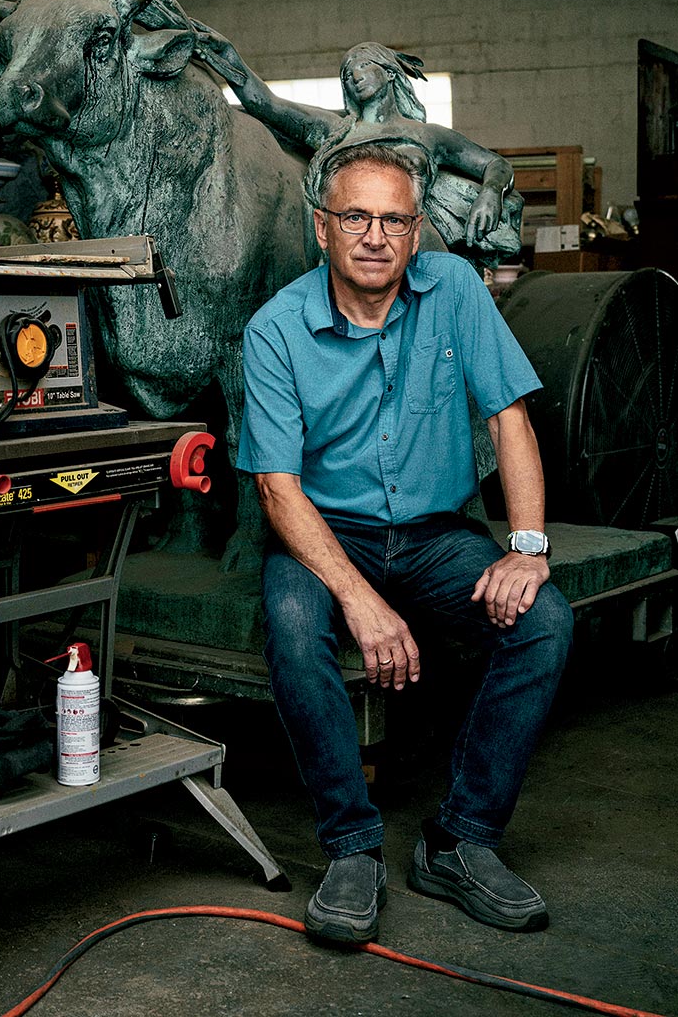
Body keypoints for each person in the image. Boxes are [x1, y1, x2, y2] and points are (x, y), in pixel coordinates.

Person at [236, 140, 572, 942]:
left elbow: (509, 416)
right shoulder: (276, 329)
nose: (375, 235)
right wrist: (360, 600)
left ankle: (460, 842)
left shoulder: (454, 288)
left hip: (434, 533)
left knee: (546, 622)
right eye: (356, 216)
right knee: (291, 624)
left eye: (395, 219)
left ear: (416, 234)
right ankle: (352, 847)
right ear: (323, 228)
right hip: (324, 533)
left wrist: (527, 547)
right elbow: (277, 489)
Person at [196, 31, 522, 263]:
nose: (354, 75)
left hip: (410, 242)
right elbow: (267, 104)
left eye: (364, 65)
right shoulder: (335, 130)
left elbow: (495, 165)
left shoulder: (428, 135)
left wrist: (490, 192)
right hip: (345, 244)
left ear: (390, 72)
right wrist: (227, 56)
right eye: (347, 73)